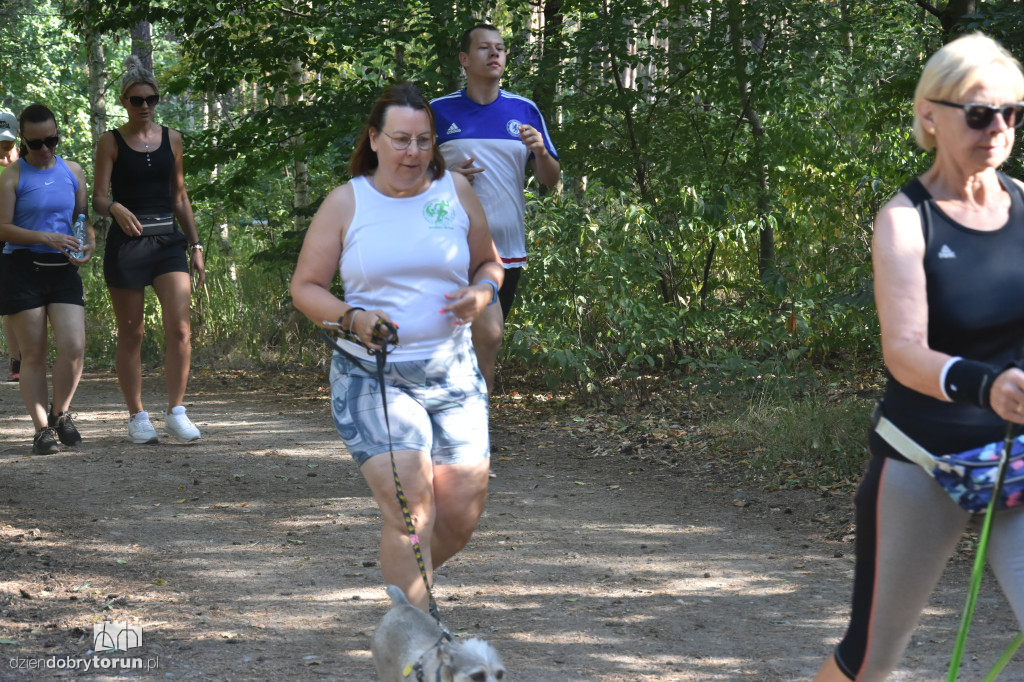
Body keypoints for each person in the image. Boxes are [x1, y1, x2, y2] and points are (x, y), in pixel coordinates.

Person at [814, 33, 1024, 681]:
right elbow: (904, 351)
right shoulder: (906, 219)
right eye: (979, 112)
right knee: (869, 661)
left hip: (1013, 460)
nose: (998, 129)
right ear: (929, 115)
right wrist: (983, 384)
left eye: (1012, 113)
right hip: (922, 458)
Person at [291, 82, 503, 611]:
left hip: (453, 372)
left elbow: (489, 262)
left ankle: (404, 577)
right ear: (375, 139)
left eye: (424, 141)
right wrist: (353, 316)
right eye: (401, 139)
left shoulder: (455, 189)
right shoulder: (347, 201)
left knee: (458, 516)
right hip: (372, 374)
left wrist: (483, 291)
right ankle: (417, 638)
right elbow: (306, 287)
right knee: (413, 511)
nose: (413, 153)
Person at [431, 23, 561, 394]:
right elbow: (411, 179)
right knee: (462, 339)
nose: (494, 54)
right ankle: (451, 425)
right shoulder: (438, 112)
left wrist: (539, 151)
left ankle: (474, 427)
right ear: (464, 59)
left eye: (500, 49)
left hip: (506, 252)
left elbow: (551, 180)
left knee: (487, 342)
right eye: (485, 48)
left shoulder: (525, 110)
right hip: (449, 247)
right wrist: (447, 178)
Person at [92, 56, 205, 444]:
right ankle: (137, 415)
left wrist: (196, 244)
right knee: (132, 332)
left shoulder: (172, 138)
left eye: (151, 99)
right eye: (137, 100)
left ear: (158, 100)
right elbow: (98, 198)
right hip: (127, 245)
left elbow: (180, 196)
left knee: (180, 327)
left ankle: (176, 411)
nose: (145, 106)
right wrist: (115, 208)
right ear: (124, 101)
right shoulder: (110, 141)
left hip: (167, 242)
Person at [0, 104, 94, 454]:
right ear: (23, 140)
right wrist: (45, 237)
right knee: (33, 353)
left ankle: (60, 412)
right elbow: (3, 228)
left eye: (51, 140)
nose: (45, 150)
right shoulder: (13, 176)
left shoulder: (73, 171)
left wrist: (89, 243)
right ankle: (42, 430)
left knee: (73, 347)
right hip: (23, 267)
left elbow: (81, 217)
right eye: (36, 143)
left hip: (63, 268)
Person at [0, 110, 22, 382]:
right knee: (8, 305)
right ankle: (16, 357)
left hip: (22, 239)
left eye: (7, 147)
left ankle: (21, 357)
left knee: (18, 304)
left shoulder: (28, 165)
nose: (4, 156)